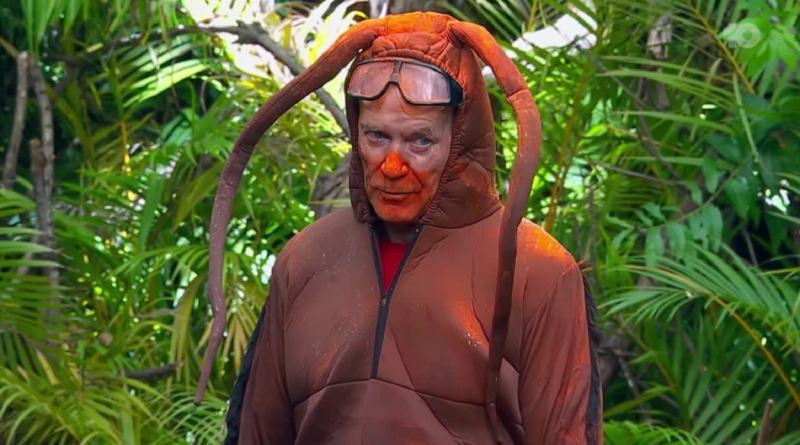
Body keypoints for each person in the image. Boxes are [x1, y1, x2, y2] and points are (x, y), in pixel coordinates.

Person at [195, 11, 602, 445]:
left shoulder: (538, 273)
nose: (392, 166)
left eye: (420, 141)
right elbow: (257, 431)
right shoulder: (306, 260)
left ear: (460, 139)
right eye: (376, 137)